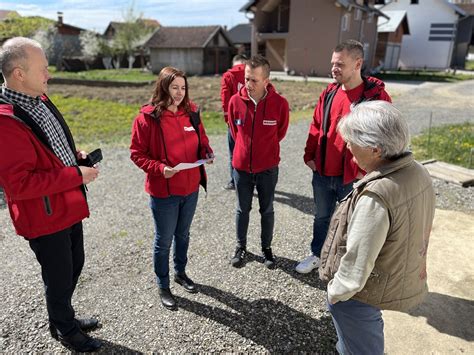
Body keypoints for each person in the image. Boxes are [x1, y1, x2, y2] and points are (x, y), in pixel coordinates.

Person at [0, 37, 101, 352]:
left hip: (65, 204)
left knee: (74, 265)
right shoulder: (5, 121)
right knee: (58, 277)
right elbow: (20, 184)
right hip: (43, 215)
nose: (49, 75)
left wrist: (74, 155)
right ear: (19, 73)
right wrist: (74, 174)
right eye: (43, 69)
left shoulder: (38, 99)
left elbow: (49, 145)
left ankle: (60, 317)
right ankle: (66, 331)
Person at [319, 100, 435, 354]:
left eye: (351, 140)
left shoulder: (376, 196)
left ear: (375, 149)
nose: (347, 146)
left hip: (360, 296)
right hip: (391, 279)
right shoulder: (416, 171)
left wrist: (335, 293)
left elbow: (356, 265)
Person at [297, 39, 392, 274]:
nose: (333, 69)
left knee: (351, 223)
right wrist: (309, 155)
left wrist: (368, 170)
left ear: (357, 63)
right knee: (321, 217)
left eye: (340, 64)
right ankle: (318, 254)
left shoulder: (376, 98)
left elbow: (385, 137)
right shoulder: (329, 93)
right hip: (322, 172)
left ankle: (343, 266)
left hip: (354, 176)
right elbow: (317, 126)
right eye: (332, 63)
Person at [130, 66, 214, 310]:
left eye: (183, 88)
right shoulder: (147, 118)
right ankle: (163, 284)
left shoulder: (192, 113)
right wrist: (159, 168)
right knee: (164, 240)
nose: (179, 93)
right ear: (163, 87)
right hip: (164, 192)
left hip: (190, 189)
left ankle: (180, 272)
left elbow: (203, 141)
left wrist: (206, 153)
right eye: (174, 87)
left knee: (183, 234)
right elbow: (136, 154)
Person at [228, 55, 289, 269]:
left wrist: (263, 151)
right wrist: (245, 152)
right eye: (246, 78)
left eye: (254, 80)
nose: (248, 84)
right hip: (241, 169)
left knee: (267, 210)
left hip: (267, 169)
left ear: (266, 81)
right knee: (242, 209)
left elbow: (279, 133)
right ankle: (240, 247)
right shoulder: (235, 101)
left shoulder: (280, 104)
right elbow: (235, 132)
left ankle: (266, 249)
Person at [220, 54, 247, 190]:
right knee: (250, 149)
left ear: (233, 63)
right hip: (251, 119)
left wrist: (227, 118)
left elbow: (225, 98)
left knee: (234, 151)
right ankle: (251, 179)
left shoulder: (228, 76)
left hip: (235, 119)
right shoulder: (253, 73)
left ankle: (234, 181)